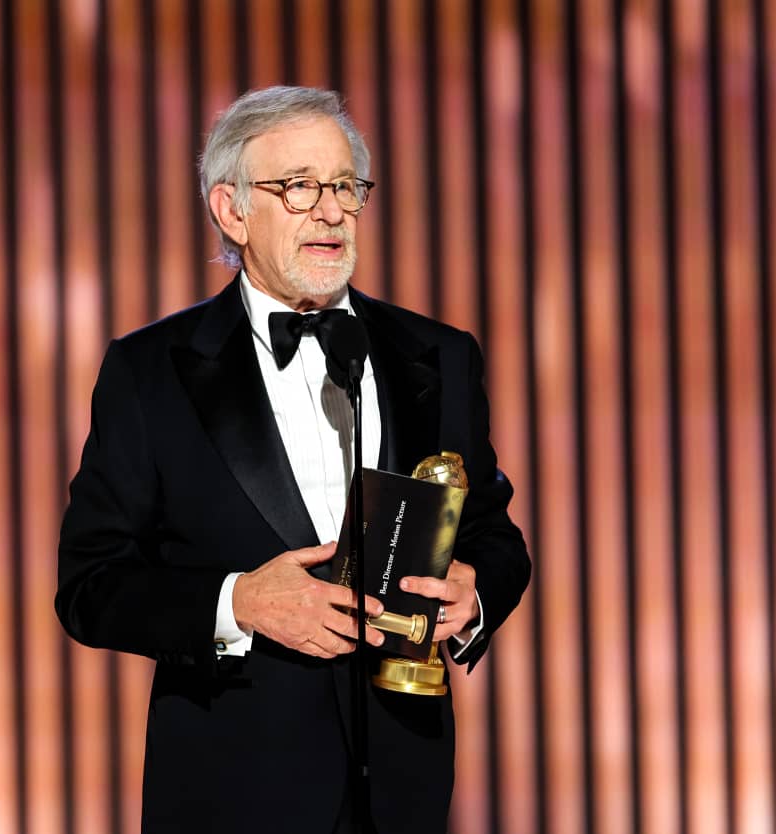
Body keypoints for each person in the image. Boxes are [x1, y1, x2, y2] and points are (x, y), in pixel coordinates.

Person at [56, 86, 531, 834]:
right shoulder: (151, 372)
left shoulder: (437, 356)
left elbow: (494, 539)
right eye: (299, 186)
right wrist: (237, 602)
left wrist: (476, 597)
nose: (333, 211)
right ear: (232, 211)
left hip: (404, 792)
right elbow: (91, 586)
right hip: (232, 794)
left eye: (346, 186)